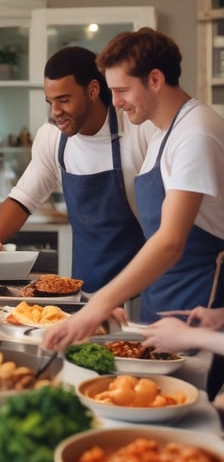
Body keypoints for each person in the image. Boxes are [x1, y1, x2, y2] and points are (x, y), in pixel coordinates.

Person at [45, 28, 224, 358]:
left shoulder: (195, 134)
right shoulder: (161, 133)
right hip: (163, 302)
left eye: (122, 90)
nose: (115, 102)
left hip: (198, 305)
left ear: (154, 79)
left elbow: (169, 242)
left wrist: (99, 303)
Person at [0, 46, 156, 293]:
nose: (55, 112)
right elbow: (24, 197)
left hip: (142, 283)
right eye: (50, 102)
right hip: (85, 286)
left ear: (92, 90)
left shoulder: (137, 131)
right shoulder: (53, 138)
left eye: (64, 100)